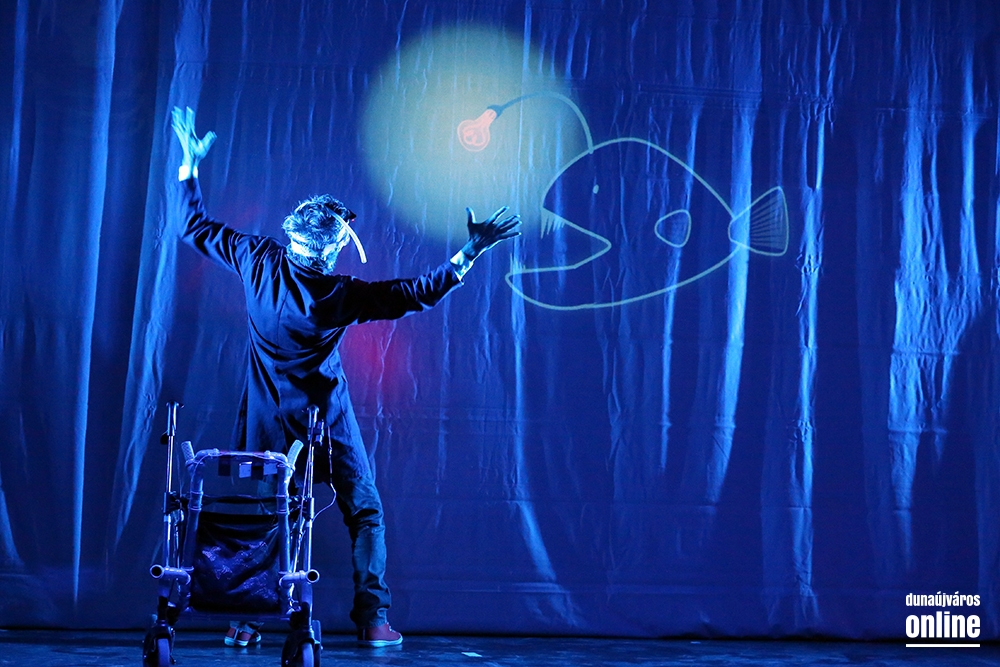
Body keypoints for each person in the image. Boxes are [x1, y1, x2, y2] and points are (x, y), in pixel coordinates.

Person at [169, 106, 520, 647]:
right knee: (364, 511)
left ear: (293, 236)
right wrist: (471, 249)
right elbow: (416, 293)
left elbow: (193, 227)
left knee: (266, 514)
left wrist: (189, 167)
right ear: (332, 249)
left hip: (266, 422)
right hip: (325, 422)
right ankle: (373, 620)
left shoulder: (256, 260)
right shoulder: (339, 295)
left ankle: (245, 619)